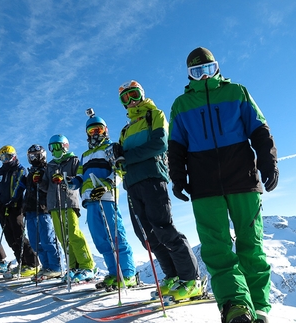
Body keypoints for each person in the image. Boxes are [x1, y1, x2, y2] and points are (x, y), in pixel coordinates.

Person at [168, 47, 278, 323]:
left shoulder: (237, 92)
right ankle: (236, 307)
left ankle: (260, 307)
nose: (203, 77)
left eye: (208, 69)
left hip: (243, 178)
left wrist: (268, 162)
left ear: (217, 68)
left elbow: (259, 129)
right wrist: (178, 177)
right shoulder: (181, 105)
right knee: (216, 249)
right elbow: (176, 146)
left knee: (250, 245)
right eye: (197, 72)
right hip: (204, 186)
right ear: (189, 75)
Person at [112, 80, 201, 301]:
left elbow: (160, 143)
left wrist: (127, 157)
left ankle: (191, 280)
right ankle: (172, 275)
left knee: (163, 228)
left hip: (153, 177)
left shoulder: (155, 115)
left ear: (142, 94)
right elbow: (121, 163)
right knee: (147, 236)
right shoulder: (125, 130)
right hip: (132, 184)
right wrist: (118, 158)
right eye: (126, 98)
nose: (131, 101)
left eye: (134, 95)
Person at [68, 112, 136, 289]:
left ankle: (127, 274)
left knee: (115, 234)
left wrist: (107, 185)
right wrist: (72, 182)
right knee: (99, 238)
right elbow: (80, 176)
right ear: (87, 134)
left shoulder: (111, 148)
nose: (95, 133)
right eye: (91, 131)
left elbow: (120, 170)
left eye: (98, 129)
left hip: (106, 196)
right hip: (90, 200)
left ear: (105, 130)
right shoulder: (85, 155)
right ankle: (114, 273)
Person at [40, 134, 96, 282]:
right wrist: (39, 181)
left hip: (68, 201)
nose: (55, 150)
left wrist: (65, 179)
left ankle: (87, 265)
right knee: (62, 237)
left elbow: (79, 178)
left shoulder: (73, 160)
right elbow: (45, 187)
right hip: (53, 204)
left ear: (65, 146)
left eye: (58, 146)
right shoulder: (50, 165)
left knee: (73, 233)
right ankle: (73, 267)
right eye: (52, 147)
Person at [0, 145, 41, 277]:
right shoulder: (1, 172)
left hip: (16, 206)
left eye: (7, 157)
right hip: (3, 207)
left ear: (14, 156)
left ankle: (33, 263)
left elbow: (20, 185)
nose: (5, 160)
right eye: (2, 158)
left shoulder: (19, 169)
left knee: (18, 235)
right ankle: (21, 262)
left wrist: (14, 200)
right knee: (9, 237)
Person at [23, 144, 64, 279]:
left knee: (47, 239)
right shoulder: (30, 171)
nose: (34, 158)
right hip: (30, 209)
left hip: (43, 208)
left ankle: (56, 266)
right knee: (35, 242)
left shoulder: (47, 168)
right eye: (31, 156)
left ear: (42, 155)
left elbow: (50, 187)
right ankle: (45, 266)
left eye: (36, 155)